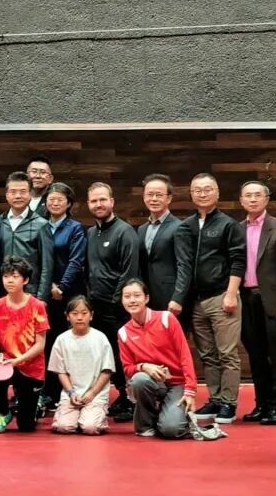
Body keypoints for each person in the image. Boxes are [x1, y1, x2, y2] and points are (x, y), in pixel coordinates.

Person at [174, 173, 246, 424]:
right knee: (207, 354)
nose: (202, 194)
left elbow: (238, 261)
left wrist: (231, 294)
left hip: (221, 297)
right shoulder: (187, 226)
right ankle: (215, 399)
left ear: (217, 192)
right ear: (191, 194)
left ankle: (228, 403)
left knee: (227, 354)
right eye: (197, 190)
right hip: (197, 301)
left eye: (207, 189)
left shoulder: (228, 225)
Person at [238, 181, 276, 426]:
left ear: (267, 199)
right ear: (241, 200)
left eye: (257, 195)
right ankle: (261, 404)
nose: (253, 199)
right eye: (248, 196)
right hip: (246, 299)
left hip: (273, 301)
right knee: (256, 354)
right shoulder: (237, 229)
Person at [85, 181, 139, 422]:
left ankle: (133, 400)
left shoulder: (125, 232)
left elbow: (130, 272)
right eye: (94, 201)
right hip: (96, 307)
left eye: (102, 200)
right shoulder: (90, 233)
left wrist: (118, 301)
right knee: (106, 355)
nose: (99, 204)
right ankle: (122, 396)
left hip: (118, 308)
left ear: (112, 202)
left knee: (123, 355)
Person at [118, 279, 197, 438]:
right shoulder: (123, 333)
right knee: (139, 379)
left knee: (171, 430)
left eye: (137, 295)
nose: (132, 300)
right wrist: (143, 367)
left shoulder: (166, 318)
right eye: (127, 296)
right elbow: (127, 368)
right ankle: (146, 424)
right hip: (153, 383)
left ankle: (170, 417)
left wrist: (190, 390)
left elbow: (185, 354)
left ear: (146, 298)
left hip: (177, 383)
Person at [0, 257, 49, 434]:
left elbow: (40, 345)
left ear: (25, 280)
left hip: (31, 367)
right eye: (6, 276)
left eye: (15, 276)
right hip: (7, 362)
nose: (10, 281)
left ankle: (34, 405)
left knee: (26, 426)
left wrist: (18, 360)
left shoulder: (37, 306)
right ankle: (3, 413)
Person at [40, 182, 87, 412]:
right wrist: (46, 286)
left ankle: (71, 391)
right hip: (44, 293)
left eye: (60, 199)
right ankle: (47, 392)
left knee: (68, 342)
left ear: (68, 204)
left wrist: (62, 287)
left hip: (68, 295)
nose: (55, 203)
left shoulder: (75, 228)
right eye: (51, 199)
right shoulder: (40, 225)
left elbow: (76, 261)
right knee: (48, 343)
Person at [48, 296, 114, 435]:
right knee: (63, 427)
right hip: (71, 394)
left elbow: (107, 370)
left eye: (84, 313)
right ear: (67, 316)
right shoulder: (61, 339)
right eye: (74, 313)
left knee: (90, 428)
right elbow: (61, 371)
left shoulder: (100, 338)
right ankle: (73, 416)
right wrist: (71, 392)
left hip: (95, 395)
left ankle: (94, 416)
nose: (79, 317)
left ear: (91, 315)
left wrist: (92, 393)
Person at [0, 171, 54, 302]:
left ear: (30, 194)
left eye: (22, 192)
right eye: (13, 192)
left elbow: (47, 265)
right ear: (6, 195)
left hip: (31, 293)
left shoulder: (41, 225)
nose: (18, 196)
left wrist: (42, 298)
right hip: (2, 293)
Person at [137, 174, 185, 313]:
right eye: (150, 194)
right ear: (144, 197)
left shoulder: (179, 227)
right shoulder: (141, 229)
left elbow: (184, 265)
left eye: (159, 195)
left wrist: (178, 298)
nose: (154, 199)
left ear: (168, 198)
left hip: (170, 296)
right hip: (147, 296)